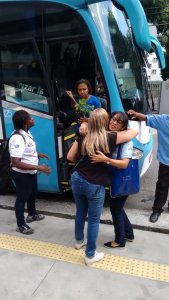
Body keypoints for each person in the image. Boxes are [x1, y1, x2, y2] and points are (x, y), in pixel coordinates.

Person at [67, 108, 138, 265]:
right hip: (94, 183)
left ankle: (79, 241)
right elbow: (134, 132)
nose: (112, 122)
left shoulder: (83, 135)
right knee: (93, 219)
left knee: (80, 212)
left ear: (91, 122)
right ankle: (90, 255)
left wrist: (84, 125)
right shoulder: (110, 137)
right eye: (110, 119)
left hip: (77, 178)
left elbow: (70, 157)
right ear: (105, 122)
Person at [90, 112, 134, 248]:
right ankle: (128, 233)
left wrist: (106, 160)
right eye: (113, 119)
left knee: (116, 209)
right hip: (113, 179)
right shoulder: (108, 134)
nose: (114, 122)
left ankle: (120, 241)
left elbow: (124, 164)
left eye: (118, 122)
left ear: (122, 127)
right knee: (119, 208)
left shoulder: (125, 141)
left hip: (121, 180)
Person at [9, 110, 51, 235]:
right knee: (22, 198)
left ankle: (32, 215)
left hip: (30, 172)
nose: (33, 119)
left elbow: (26, 150)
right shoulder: (17, 137)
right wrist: (39, 168)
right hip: (22, 174)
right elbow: (16, 162)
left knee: (33, 193)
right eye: (30, 118)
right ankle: (21, 225)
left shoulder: (26, 132)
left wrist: (37, 154)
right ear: (24, 123)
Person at [128, 109, 169, 223]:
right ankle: (157, 210)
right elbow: (146, 118)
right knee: (162, 185)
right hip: (166, 161)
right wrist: (136, 114)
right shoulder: (163, 120)